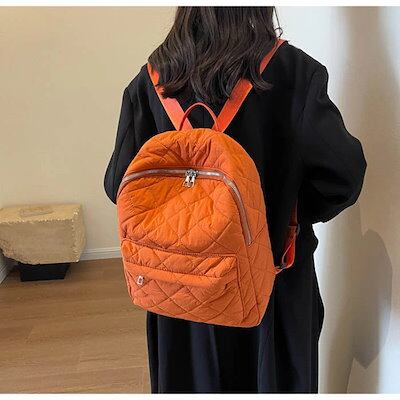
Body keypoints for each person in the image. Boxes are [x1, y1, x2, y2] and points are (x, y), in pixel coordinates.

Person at [104, 6, 366, 394]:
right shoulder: (294, 72)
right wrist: (281, 213)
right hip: (271, 285)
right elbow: (343, 177)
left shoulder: (152, 80)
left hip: (179, 290)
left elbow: (118, 185)